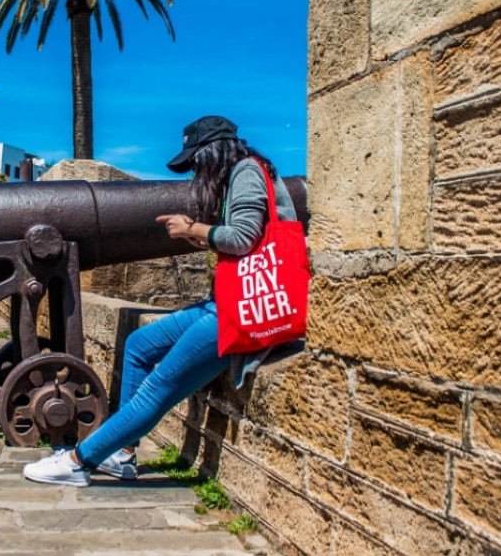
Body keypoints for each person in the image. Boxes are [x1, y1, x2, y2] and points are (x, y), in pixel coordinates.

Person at [23, 115, 299, 487]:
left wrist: (194, 229)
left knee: (158, 388)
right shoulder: (239, 174)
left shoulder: (247, 171)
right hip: (224, 303)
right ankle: (122, 455)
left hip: (238, 313)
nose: (195, 174)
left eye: (196, 163)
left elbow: (245, 238)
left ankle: (77, 462)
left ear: (213, 153)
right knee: (139, 345)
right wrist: (199, 236)